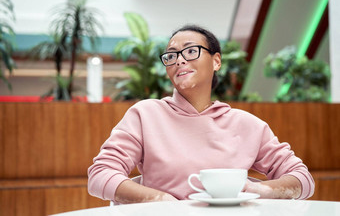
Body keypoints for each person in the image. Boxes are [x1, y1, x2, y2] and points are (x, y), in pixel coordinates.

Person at [88, 25, 315, 204]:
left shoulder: (248, 125)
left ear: (216, 61)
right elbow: (100, 175)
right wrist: (162, 202)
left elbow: (303, 180)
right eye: (171, 55)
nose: (179, 59)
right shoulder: (145, 115)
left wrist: (256, 190)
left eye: (190, 51)